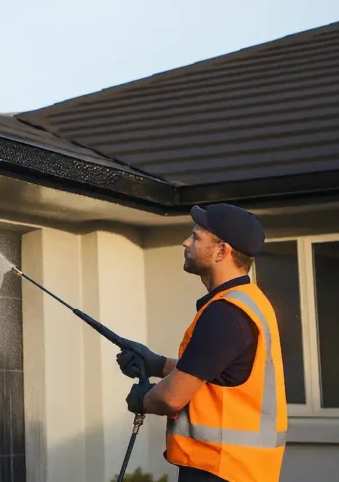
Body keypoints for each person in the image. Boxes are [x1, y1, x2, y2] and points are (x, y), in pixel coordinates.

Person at [116, 203, 288, 482]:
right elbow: (216, 377)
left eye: (196, 237)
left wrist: (143, 398)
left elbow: (172, 398)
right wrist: (157, 364)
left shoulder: (226, 315)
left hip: (219, 469)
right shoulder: (247, 302)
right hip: (237, 470)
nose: (186, 242)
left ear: (222, 251)